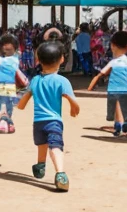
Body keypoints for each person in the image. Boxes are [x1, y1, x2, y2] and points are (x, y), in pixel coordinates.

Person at [17, 40, 80, 192]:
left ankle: (40, 166)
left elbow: (24, 100)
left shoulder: (36, 80)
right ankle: (60, 173)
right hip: (54, 121)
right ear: (62, 60)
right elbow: (71, 98)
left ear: (38, 60)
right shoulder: (62, 81)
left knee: (42, 143)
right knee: (55, 146)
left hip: (38, 121)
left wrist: (20, 105)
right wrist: (74, 107)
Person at [87, 29, 127, 135]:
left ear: (112, 45)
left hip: (112, 90)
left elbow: (101, 74)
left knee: (116, 107)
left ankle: (118, 125)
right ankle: (124, 124)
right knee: (123, 107)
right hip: (124, 90)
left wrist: (91, 86)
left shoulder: (113, 62)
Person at [0, 33, 29, 133]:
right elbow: (18, 72)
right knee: (9, 106)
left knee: (1, 105)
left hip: (0, 86)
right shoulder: (15, 60)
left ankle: (2, 123)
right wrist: (24, 80)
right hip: (11, 87)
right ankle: (9, 123)